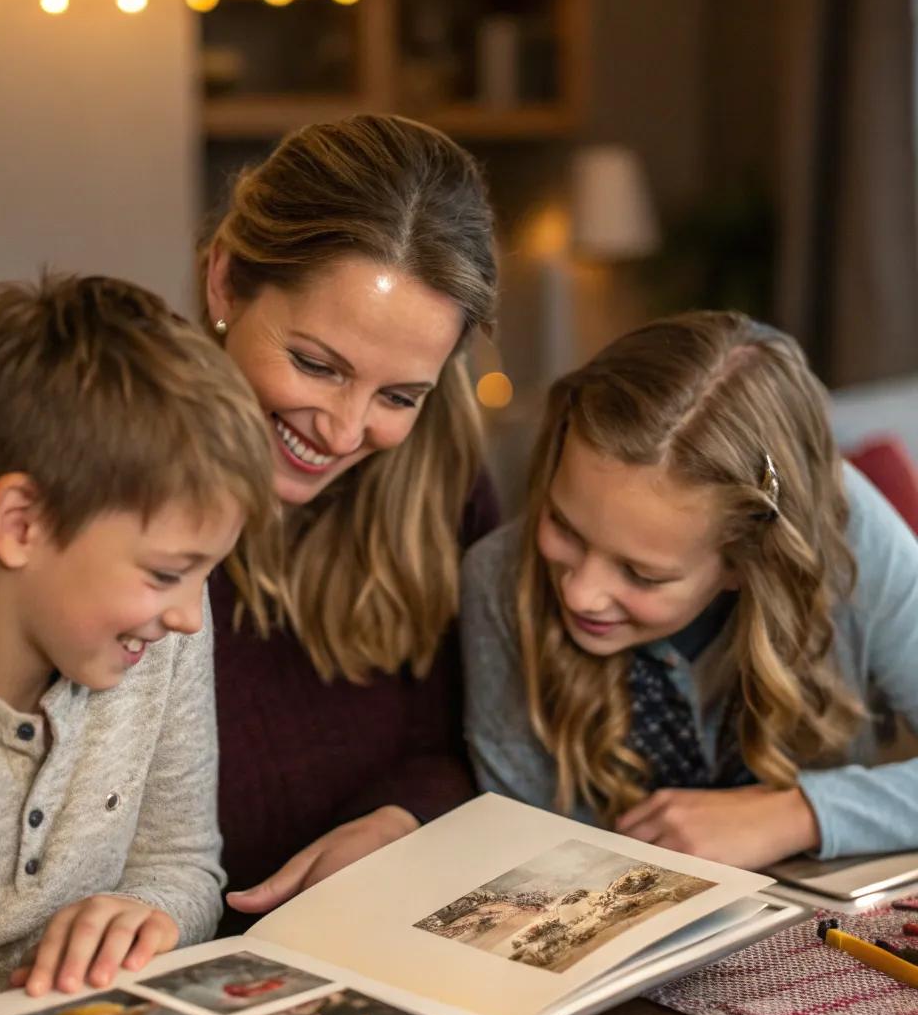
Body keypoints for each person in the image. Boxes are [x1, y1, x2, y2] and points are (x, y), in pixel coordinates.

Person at [0, 273, 272, 1015]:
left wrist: (146, 914)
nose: (192, 617)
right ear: (22, 524)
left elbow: (183, 864)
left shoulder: (155, 642)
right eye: (167, 572)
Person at [461, 311, 918, 870]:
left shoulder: (853, 542)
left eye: (642, 574)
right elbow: (523, 848)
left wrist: (801, 813)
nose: (581, 593)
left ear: (745, 562)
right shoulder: (497, 578)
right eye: (563, 525)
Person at [202, 114, 499, 917]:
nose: (339, 432)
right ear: (226, 280)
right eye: (314, 365)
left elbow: (485, 744)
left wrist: (403, 821)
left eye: (398, 396)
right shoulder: (112, 476)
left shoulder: (441, 478)